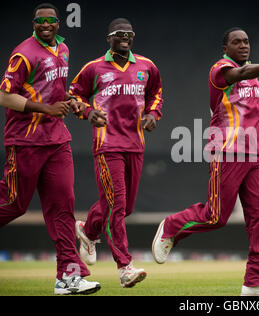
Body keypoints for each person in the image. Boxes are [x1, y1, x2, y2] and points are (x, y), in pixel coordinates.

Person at [152, 27, 259, 296]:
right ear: (225, 48)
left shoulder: (252, 74)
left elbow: (240, 106)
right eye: (236, 42)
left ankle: (255, 283)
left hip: (257, 152)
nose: (243, 45)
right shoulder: (220, 69)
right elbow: (238, 76)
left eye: (247, 41)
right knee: (216, 216)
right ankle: (171, 227)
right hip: (227, 150)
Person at [0, 3, 100, 295]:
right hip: (26, 140)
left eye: (51, 21)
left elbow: (57, 92)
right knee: (14, 203)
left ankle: (67, 278)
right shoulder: (23, 53)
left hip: (57, 139)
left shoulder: (63, 50)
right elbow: (5, 97)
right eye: (39, 21)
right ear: (34, 23)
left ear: (58, 24)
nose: (45, 25)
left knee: (62, 207)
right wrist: (46, 108)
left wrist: (77, 106)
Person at [69, 18, 163, 288]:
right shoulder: (94, 68)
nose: (125, 38)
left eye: (129, 34)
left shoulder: (147, 66)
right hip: (107, 144)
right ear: (108, 38)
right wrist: (88, 112)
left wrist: (153, 114)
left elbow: (156, 93)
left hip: (135, 144)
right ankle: (124, 267)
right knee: (117, 206)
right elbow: (74, 95)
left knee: (124, 207)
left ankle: (87, 231)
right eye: (119, 34)